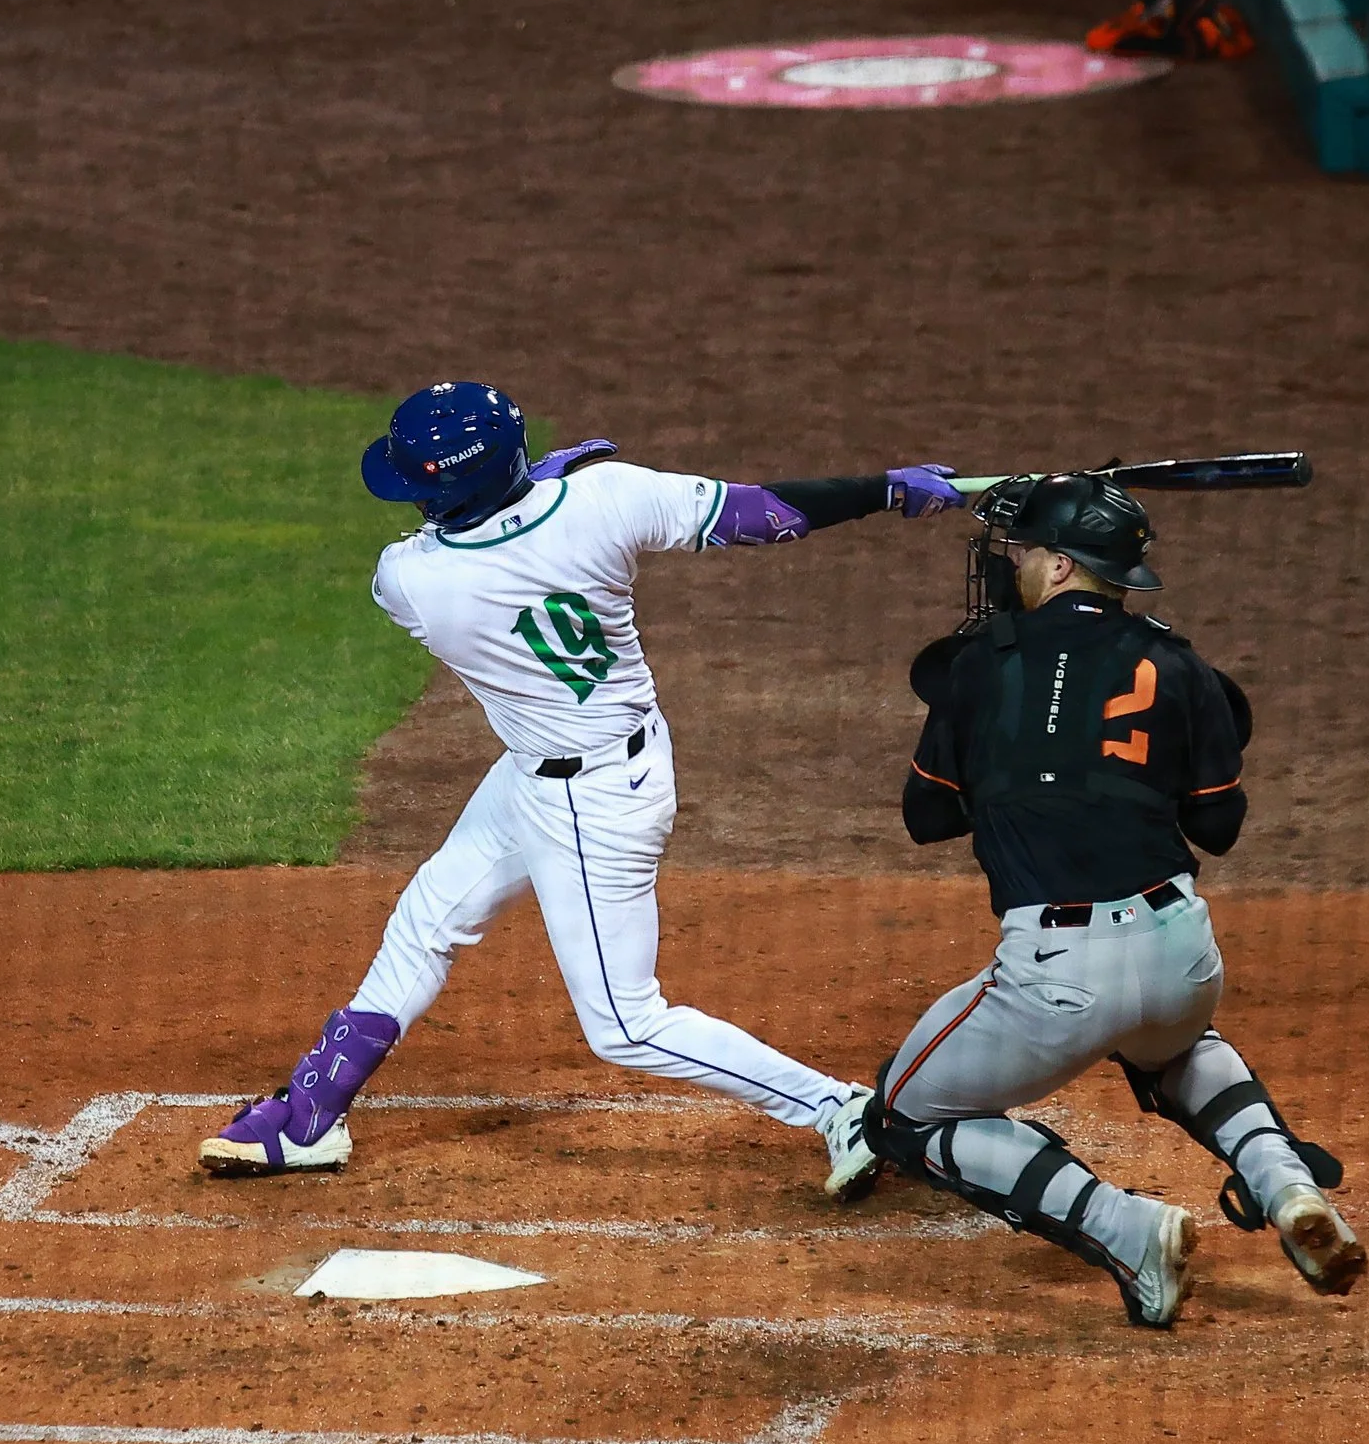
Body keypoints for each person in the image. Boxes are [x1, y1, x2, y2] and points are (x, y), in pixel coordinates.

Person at [198, 380, 964, 1200]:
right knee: (429, 915)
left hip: (588, 806)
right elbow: (766, 511)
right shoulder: (610, 498)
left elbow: (492, 541)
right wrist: (885, 487)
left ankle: (840, 1108)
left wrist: (543, 484)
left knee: (627, 1024)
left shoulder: (410, 581)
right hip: (569, 764)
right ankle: (311, 1115)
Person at [860, 473, 1365, 1328]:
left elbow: (925, 815)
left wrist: (1022, 768)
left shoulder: (985, 666)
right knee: (1173, 1047)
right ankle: (1286, 1186)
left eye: (1021, 552)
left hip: (1056, 973)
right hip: (1181, 951)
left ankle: (1126, 1227)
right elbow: (1221, 823)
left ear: (1059, 567)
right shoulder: (1180, 663)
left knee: (902, 1115)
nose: (1009, 564)